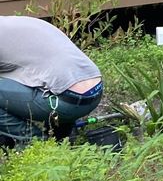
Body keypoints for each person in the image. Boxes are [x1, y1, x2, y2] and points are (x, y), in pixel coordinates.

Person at [0, 16, 104, 148]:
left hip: (66, 102)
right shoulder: (14, 23)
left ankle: (37, 143)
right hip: (94, 92)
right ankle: (62, 139)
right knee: (48, 79)